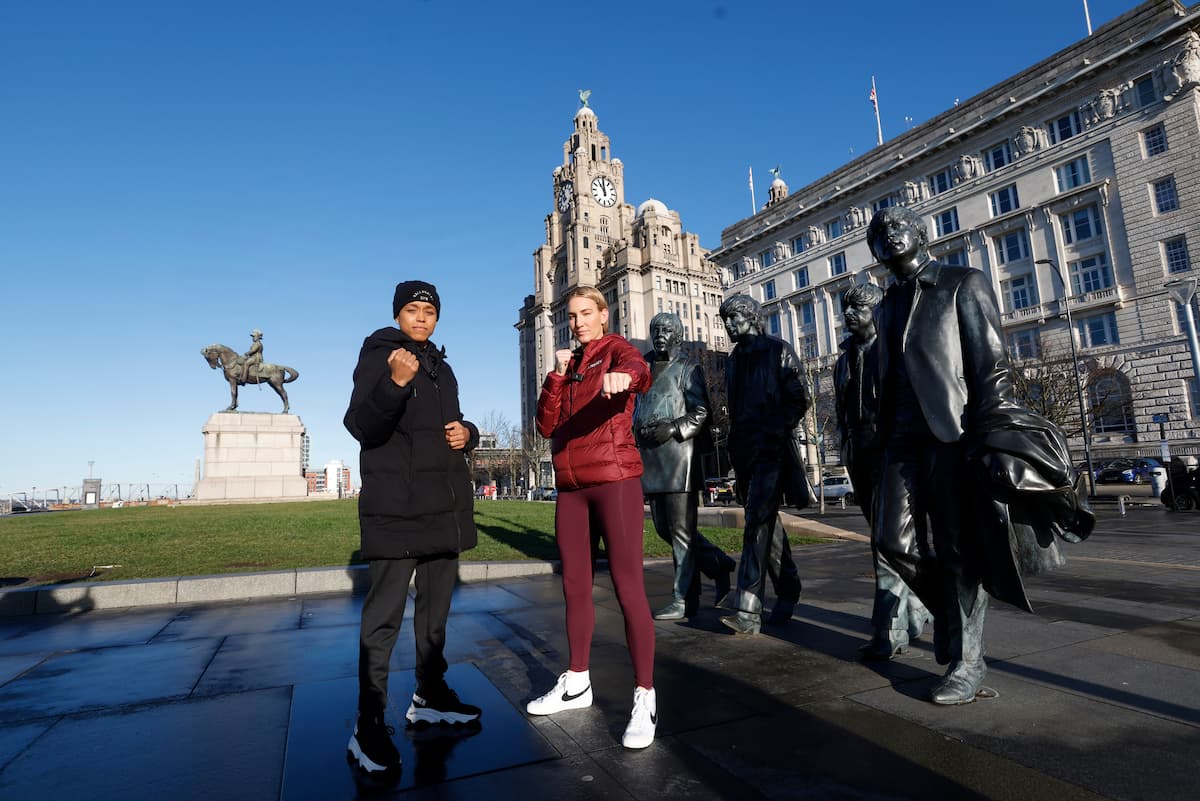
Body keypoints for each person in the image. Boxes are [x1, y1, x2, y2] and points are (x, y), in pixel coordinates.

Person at [868, 206, 1091, 705]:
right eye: (878, 232)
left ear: (920, 232)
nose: (889, 233)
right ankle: (949, 619)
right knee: (893, 543)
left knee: (958, 547)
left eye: (897, 223)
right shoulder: (886, 306)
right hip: (902, 439)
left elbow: (992, 365)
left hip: (954, 433)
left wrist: (991, 433)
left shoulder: (962, 283)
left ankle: (970, 659)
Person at [343, 280, 481, 777]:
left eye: (429, 310)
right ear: (398, 314)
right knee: (382, 621)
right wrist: (394, 384)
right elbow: (361, 424)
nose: (421, 317)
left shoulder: (443, 369)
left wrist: (470, 435)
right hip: (397, 510)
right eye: (412, 309)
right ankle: (368, 723)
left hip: (442, 508)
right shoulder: (381, 353)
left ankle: (430, 693)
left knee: (435, 616)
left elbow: (454, 427)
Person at [526, 285, 658, 750]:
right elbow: (546, 426)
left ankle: (645, 696)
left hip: (615, 480)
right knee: (575, 587)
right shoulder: (572, 365)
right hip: (571, 488)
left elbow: (640, 371)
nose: (578, 322)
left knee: (627, 588)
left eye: (586, 313)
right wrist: (557, 376)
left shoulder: (616, 350)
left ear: (603, 315)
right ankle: (577, 682)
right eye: (572, 315)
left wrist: (626, 379)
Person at [832, 284, 930, 659]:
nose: (850, 314)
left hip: (892, 450)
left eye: (858, 307)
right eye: (847, 308)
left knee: (887, 543)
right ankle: (917, 607)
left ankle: (889, 629)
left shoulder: (894, 350)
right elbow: (843, 409)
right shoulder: (844, 359)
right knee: (886, 536)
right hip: (859, 451)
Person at [633, 312, 736, 620]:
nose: (660, 334)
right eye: (656, 329)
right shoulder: (644, 365)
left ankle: (685, 598)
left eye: (666, 329)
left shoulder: (688, 367)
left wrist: (675, 428)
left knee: (680, 530)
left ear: (677, 335)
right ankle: (717, 563)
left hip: (679, 456)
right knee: (666, 528)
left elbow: (702, 410)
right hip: (651, 457)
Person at [717, 294, 809, 636]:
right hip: (743, 452)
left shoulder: (779, 350)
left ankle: (748, 608)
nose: (728, 325)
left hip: (771, 450)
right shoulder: (733, 360)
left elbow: (799, 399)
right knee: (766, 527)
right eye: (725, 319)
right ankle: (789, 588)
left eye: (734, 318)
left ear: (751, 317)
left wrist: (774, 428)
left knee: (756, 522)